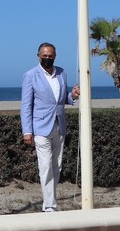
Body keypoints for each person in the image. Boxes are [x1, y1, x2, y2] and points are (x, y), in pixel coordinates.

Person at [20, 42, 80, 212]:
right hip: (40, 127)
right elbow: (26, 105)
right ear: (38, 56)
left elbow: (62, 99)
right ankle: (50, 206)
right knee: (45, 167)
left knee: (56, 167)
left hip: (59, 126)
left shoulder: (62, 73)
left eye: (50, 56)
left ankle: (50, 202)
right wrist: (27, 131)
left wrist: (73, 96)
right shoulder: (30, 75)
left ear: (55, 56)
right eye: (44, 56)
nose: (47, 58)